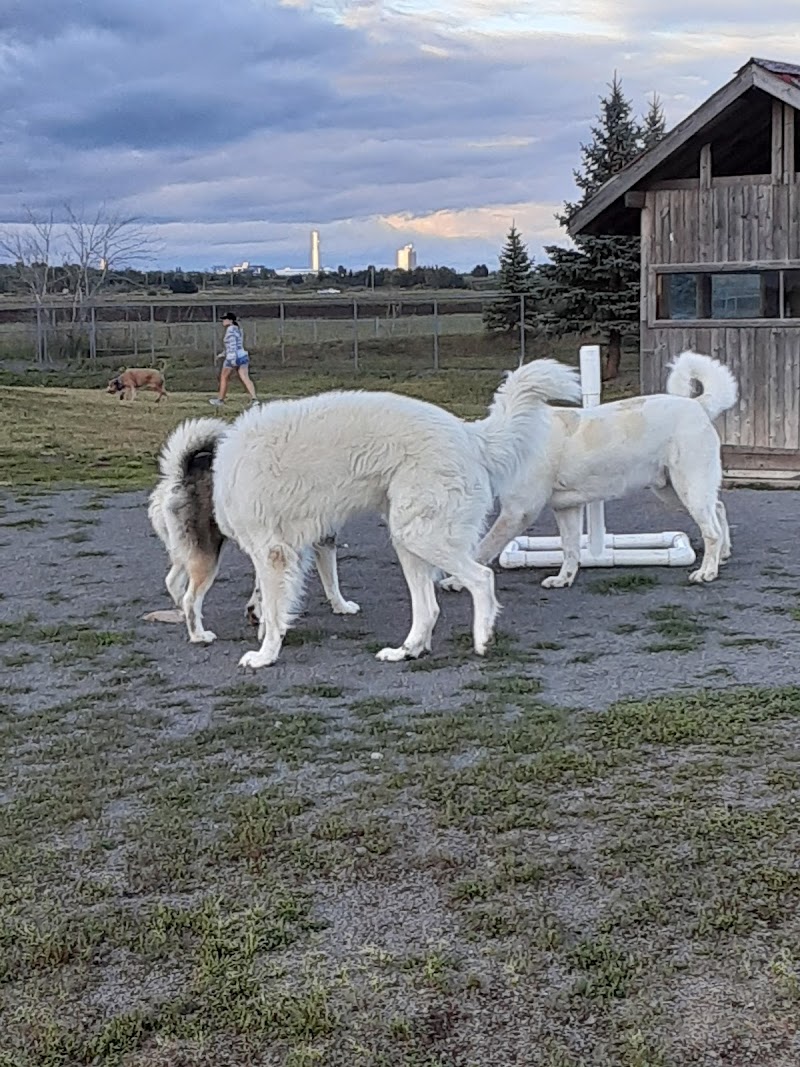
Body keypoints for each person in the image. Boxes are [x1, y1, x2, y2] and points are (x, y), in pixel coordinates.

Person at [210, 312, 258, 406]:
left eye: (225, 319)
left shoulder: (230, 330)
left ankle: (220, 400)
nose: (223, 321)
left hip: (232, 357)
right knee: (245, 377)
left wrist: (232, 360)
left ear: (230, 320)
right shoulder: (238, 329)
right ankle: (254, 398)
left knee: (224, 377)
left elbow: (232, 346)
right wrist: (223, 354)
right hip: (242, 355)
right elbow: (235, 345)